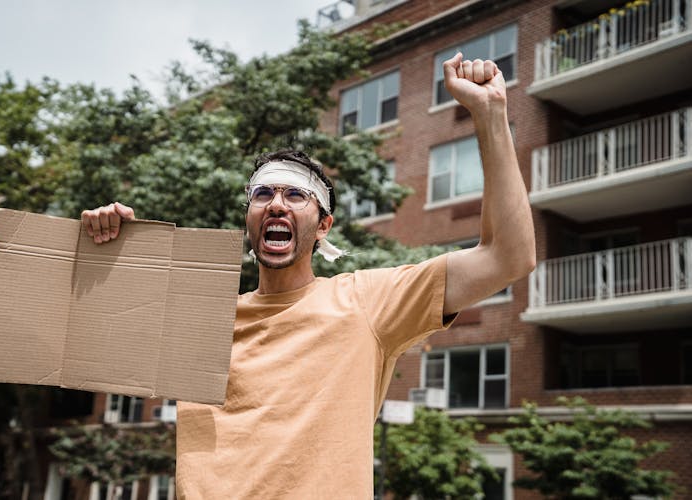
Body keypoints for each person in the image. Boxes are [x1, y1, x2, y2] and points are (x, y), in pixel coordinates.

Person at [81, 53, 535, 499]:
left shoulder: (366, 303)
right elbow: (80, 334)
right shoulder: (201, 321)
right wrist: (107, 250)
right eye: (263, 193)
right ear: (250, 219)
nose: (276, 203)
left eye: (296, 194)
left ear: (322, 227)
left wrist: (491, 114)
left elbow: (507, 257)